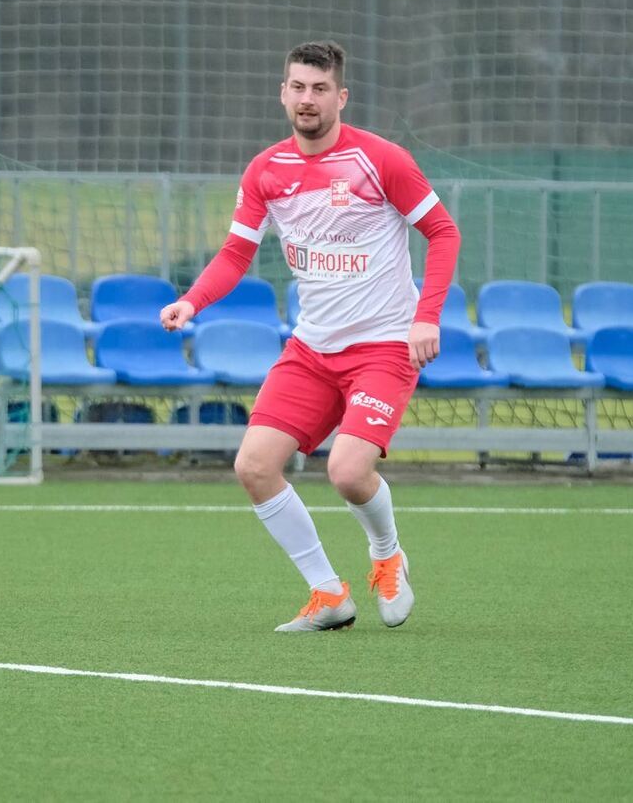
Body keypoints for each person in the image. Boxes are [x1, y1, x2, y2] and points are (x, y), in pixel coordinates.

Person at [161, 41, 460, 632]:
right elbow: (236, 252)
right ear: (282, 93)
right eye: (297, 87)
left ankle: (387, 554)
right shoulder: (266, 170)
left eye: (320, 89)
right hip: (311, 349)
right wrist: (191, 300)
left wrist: (427, 316)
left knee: (348, 472)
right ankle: (327, 594)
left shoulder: (382, 160)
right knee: (254, 466)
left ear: (340, 97)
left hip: (382, 348)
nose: (307, 99)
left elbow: (443, 234)